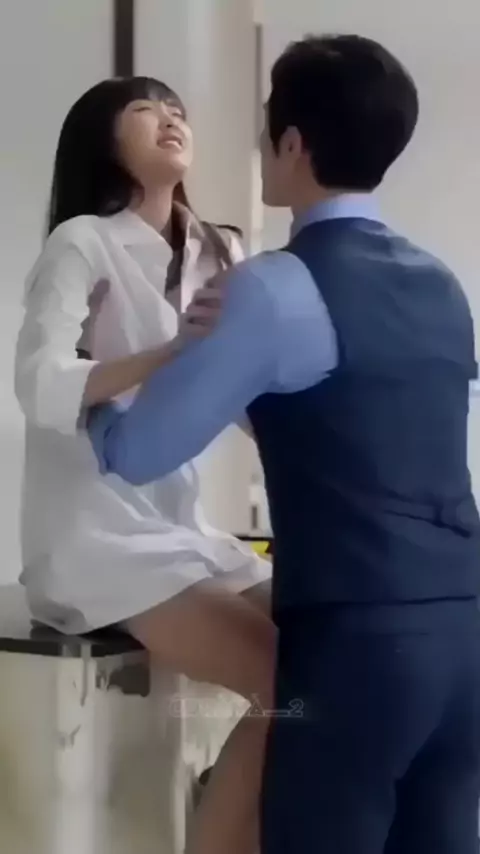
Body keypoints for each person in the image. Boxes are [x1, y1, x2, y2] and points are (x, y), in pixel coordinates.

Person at [87, 35, 480, 854]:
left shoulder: (270, 288)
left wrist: (94, 375)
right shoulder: (441, 285)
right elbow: (351, 416)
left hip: (357, 648)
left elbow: (135, 452)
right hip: (465, 635)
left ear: (292, 143)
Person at [14, 76, 274, 854]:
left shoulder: (218, 249)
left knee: (334, 640)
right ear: (103, 140)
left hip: (179, 529)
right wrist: (171, 353)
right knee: (282, 679)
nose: (169, 120)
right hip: (94, 539)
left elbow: (241, 388)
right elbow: (39, 383)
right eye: (144, 110)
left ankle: (221, 800)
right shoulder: (83, 242)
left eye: (176, 110)